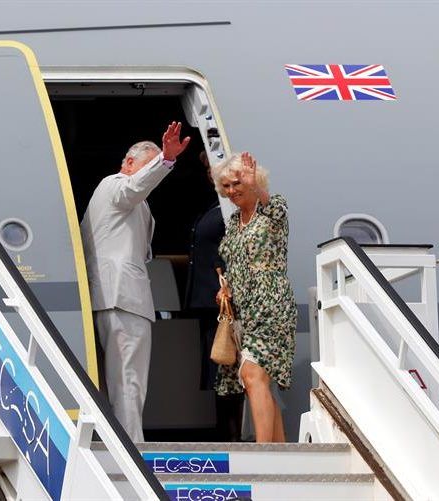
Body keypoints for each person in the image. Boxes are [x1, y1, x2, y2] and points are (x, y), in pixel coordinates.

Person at [80, 122, 190, 442]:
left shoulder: (131, 201)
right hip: (122, 297)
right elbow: (134, 188)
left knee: (123, 380)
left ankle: (125, 443)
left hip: (116, 298)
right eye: (146, 167)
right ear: (128, 164)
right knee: (128, 380)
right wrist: (166, 160)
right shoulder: (114, 186)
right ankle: (133, 450)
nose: (149, 177)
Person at [213, 152, 296, 443]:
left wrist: (258, 188)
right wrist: (226, 289)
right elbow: (234, 264)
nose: (232, 190)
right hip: (245, 311)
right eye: (226, 186)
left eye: (237, 183)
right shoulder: (234, 223)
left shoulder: (271, 211)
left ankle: (264, 454)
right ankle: (280, 452)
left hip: (271, 306)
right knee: (257, 381)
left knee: (251, 374)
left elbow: (274, 208)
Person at [184, 151, 244, 442]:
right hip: (211, 302)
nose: (209, 171)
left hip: (224, 302)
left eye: (213, 166)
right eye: (207, 167)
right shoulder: (214, 206)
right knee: (218, 370)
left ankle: (233, 437)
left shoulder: (231, 209)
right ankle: (226, 434)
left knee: (227, 368)